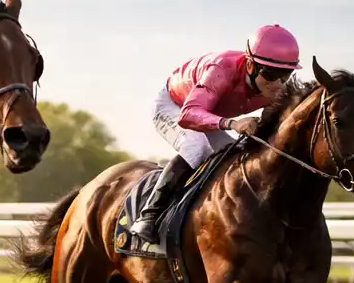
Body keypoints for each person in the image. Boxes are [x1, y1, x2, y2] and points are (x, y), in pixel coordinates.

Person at [128, 24, 301, 245]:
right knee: (196, 147)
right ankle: (149, 214)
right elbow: (188, 115)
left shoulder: (277, 89)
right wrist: (232, 123)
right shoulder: (222, 69)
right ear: (250, 65)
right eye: (270, 74)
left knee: (238, 156)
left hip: (211, 113)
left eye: (285, 75)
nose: (277, 84)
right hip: (177, 105)